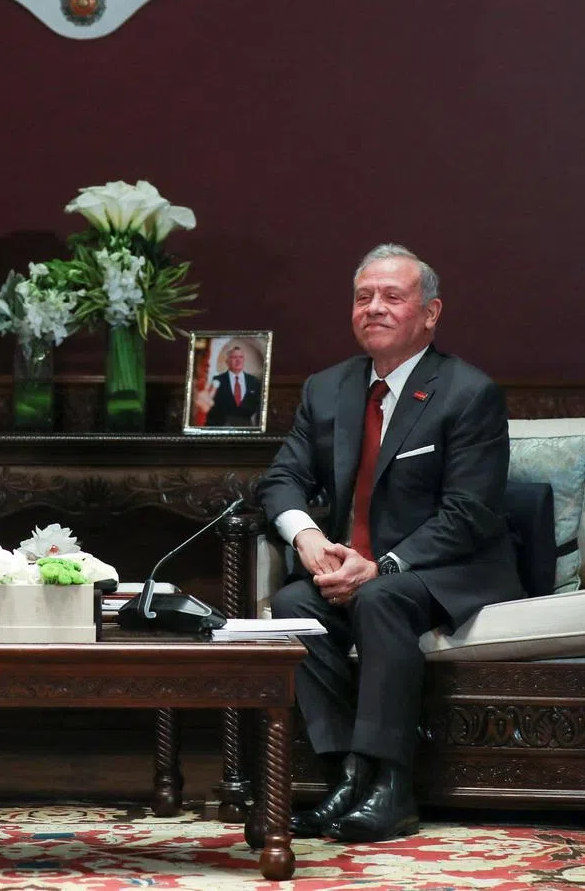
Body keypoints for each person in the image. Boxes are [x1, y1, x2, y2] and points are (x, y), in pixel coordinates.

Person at [257, 243, 521, 843]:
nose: (373, 307)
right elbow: (282, 478)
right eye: (362, 297)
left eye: (392, 297)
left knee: (382, 598)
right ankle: (347, 775)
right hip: (361, 565)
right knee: (296, 605)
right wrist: (307, 537)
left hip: (454, 566)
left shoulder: (467, 392)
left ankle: (393, 787)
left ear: (430, 314)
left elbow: (470, 513)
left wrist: (383, 566)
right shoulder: (328, 389)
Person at [197, 343, 265, 426]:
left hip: (246, 431)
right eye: (234, 357)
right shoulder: (216, 381)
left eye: (240, 357)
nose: (238, 360)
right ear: (227, 361)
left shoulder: (254, 381)